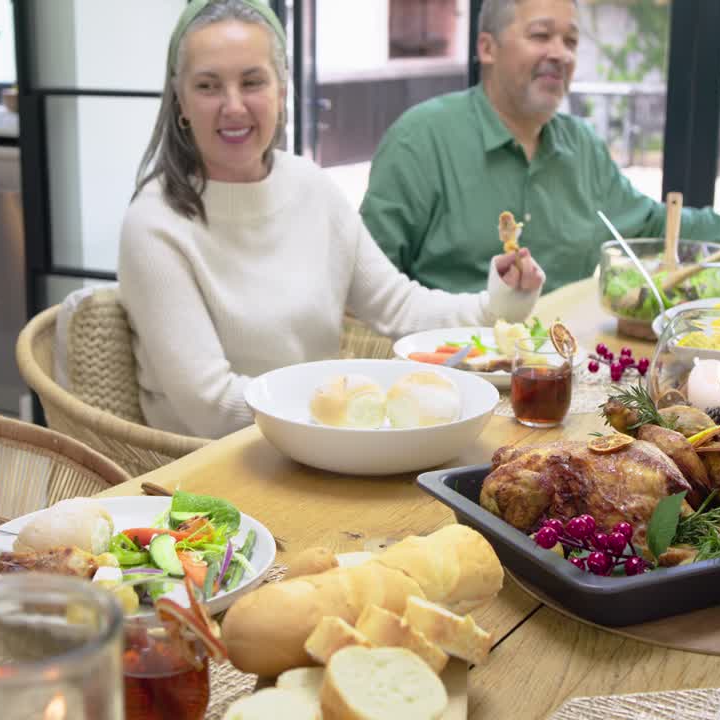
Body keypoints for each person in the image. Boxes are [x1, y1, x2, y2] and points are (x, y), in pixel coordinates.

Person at [119, 0, 545, 440]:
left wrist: (498, 301)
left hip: (326, 445)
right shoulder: (155, 223)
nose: (233, 106)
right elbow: (211, 407)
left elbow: (401, 307)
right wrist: (359, 406)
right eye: (208, 86)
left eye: (252, 82)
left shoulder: (310, 187)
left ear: (282, 90)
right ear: (180, 100)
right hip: (209, 467)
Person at [361, 0, 720, 294]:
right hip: (454, 375)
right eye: (541, 35)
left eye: (571, 40)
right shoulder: (420, 140)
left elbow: (660, 224)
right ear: (487, 48)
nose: (561, 53)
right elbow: (366, 283)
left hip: (565, 378)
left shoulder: (582, 146)